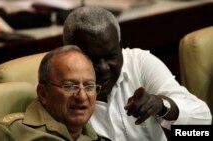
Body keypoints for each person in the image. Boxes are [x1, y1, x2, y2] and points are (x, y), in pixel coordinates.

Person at [63, 6, 212, 141]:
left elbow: (203, 123)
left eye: (111, 56)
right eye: (92, 60)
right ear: (70, 54)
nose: (103, 68)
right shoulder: (57, 89)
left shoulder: (139, 64)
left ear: (120, 47)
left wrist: (162, 106)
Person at [0, 45, 109, 141]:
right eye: (69, 86)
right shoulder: (10, 134)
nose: (82, 96)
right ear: (43, 94)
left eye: (89, 86)